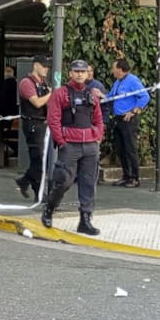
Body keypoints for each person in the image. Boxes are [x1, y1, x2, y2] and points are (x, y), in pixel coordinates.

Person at [43, 60, 104, 236]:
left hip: (90, 145)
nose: (79, 74)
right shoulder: (60, 94)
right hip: (70, 144)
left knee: (88, 183)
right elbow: (53, 119)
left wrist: (98, 136)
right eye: (76, 71)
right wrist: (61, 141)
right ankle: (49, 208)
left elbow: (98, 118)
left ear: (88, 74)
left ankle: (85, 220)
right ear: (70, 73)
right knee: (63, 181)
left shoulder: (92, 93)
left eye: (83, 71)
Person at [109, 59, 150, 188]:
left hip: (128, 120)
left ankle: (134, 178)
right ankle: (126, 176)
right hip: (118, 119)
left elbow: (145, 96)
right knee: (121, 149)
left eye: (113, 68)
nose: (112, 70)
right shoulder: (117, 82)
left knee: (130, 149)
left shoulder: (132, 80)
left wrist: (134, 111)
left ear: (120, 69)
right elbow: (111, 96)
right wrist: (101, 95)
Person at [14, 57, 52, 199]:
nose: (46, 69)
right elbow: (36, 102)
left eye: (47, 67)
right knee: (38, 158)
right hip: (32, 124)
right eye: (44, 66)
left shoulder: (43, 83)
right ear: (36, 65)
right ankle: (37, 190)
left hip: (41, 123)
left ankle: (26, 182)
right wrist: (50, 94)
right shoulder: (27, 83)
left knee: (40, 159)